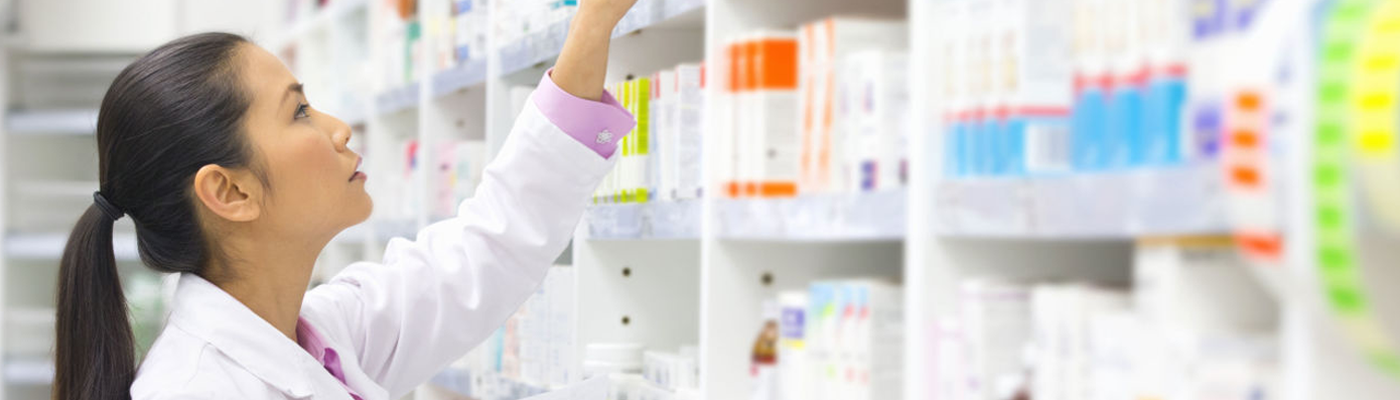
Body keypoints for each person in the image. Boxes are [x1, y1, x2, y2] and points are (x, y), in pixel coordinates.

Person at [54, 1, 641, 398]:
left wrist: (591, 28)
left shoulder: (326, 334)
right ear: (229, 191)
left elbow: (492, 245)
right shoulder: (196, 386)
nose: (340, 129)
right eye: (300, 112)